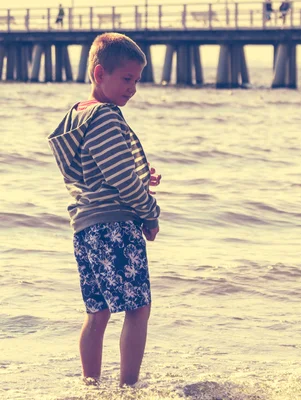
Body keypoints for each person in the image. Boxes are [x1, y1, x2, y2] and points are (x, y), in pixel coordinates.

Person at [47, 32, 161, 387]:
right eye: (126, 79)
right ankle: (128, 388)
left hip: (85, 228)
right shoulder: (106, 117)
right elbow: (122, 181)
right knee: (138, 308)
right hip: (115, 226)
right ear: (99, 74)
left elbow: (96, 172)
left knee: (97, 312)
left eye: (137, 81)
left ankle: (91, 386)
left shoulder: (74, 117)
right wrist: (149, 211)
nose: (133, 89)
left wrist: (140, 178)